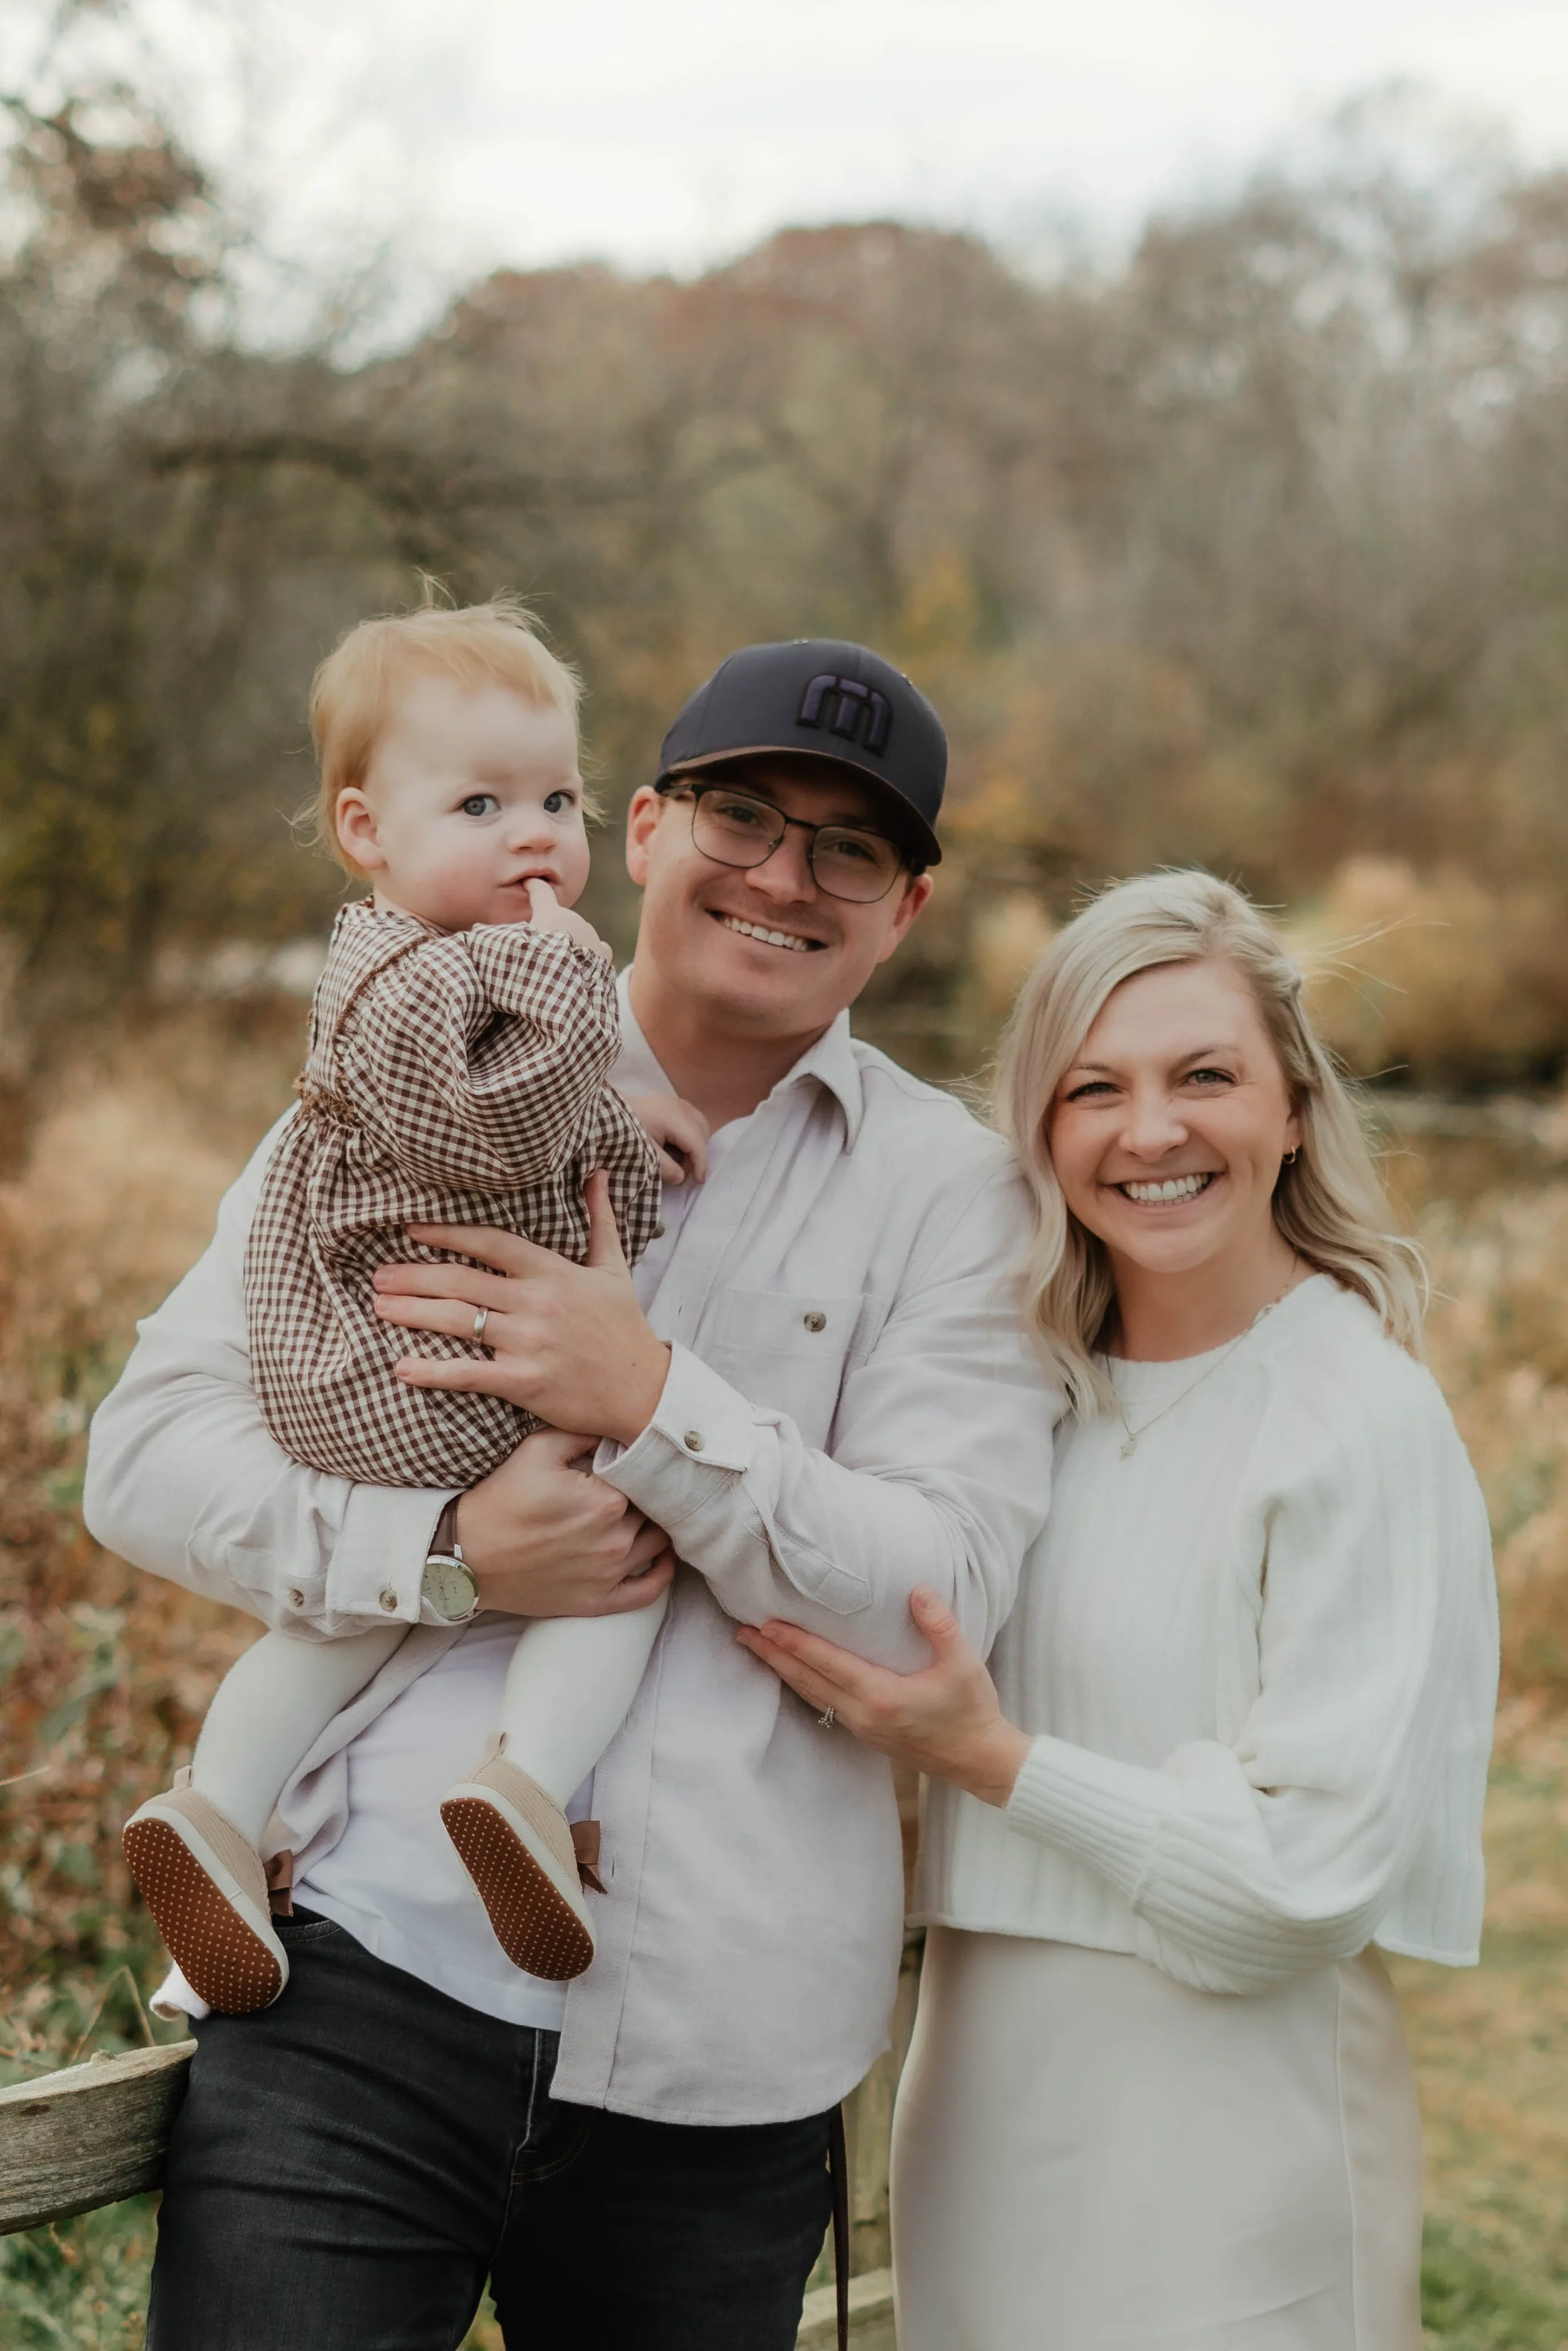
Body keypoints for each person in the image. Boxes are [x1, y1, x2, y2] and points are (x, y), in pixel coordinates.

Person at [83, 637, 1059, 2351]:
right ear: (641, 828)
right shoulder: (402, 1080)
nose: (780, 874)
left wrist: (657, 1403)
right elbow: (144, 1457)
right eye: (742, 814)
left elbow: (939, 1593)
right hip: (363, 1988)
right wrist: (449, 1555)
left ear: (905, 910)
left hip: (722, 2057)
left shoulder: (955, 1201)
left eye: (847, 848)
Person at [741, 869, 1499, 2351]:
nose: (1149, 1131)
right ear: (1039, 1133)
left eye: (1201, 1076)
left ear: (1290, 1105)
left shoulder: (1354, 1417)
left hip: (1231, 2143)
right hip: (981, 2111)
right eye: (1093, 1088)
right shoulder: (1017, 1403)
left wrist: (992, 1759)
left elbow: (1300, 1874)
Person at [122, 595, 707, 2012]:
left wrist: (617, 1110)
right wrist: (589, 1015)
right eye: (481, 801)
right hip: (414, 1370)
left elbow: (487, 1126)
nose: (534, 833)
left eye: (554, 795)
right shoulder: (433, 971)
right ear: (365, 833)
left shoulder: (402, 972)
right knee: (628, 1539)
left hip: (382, 1372)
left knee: (347, 1614)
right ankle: (520, 1780)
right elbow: (504, 1134)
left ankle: (217, 1801)